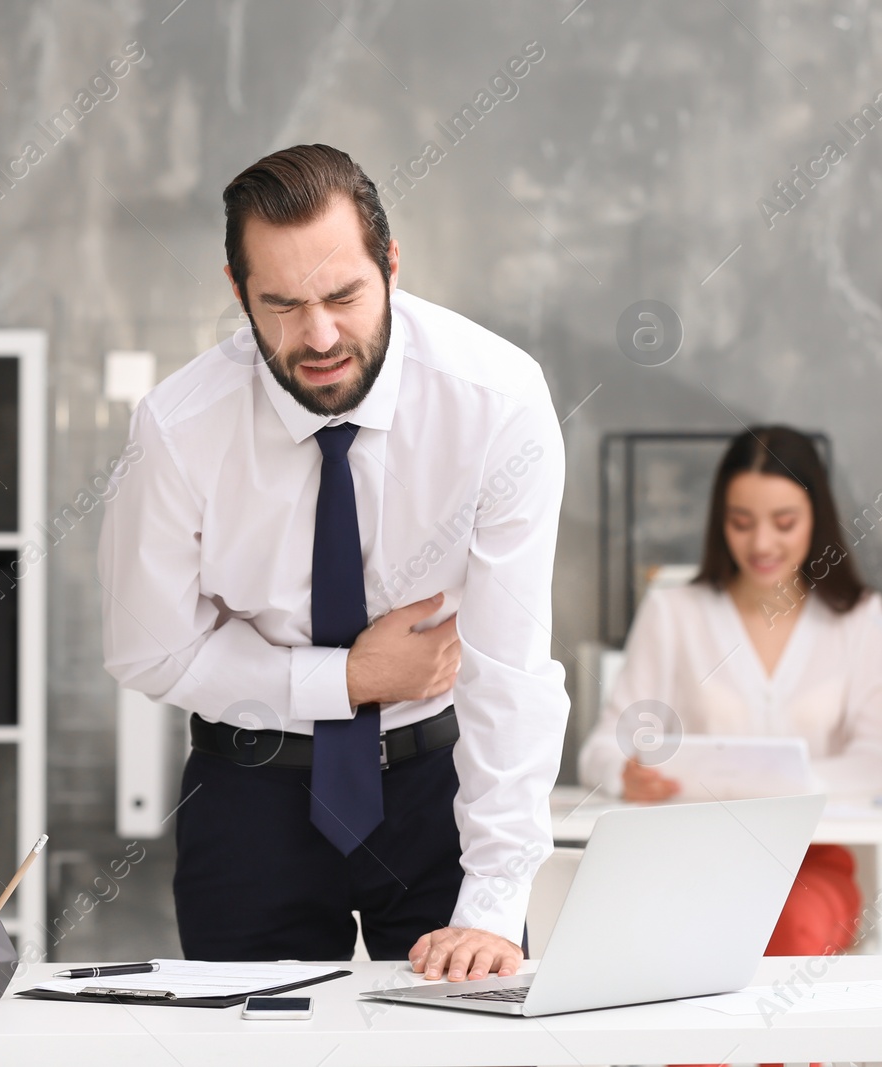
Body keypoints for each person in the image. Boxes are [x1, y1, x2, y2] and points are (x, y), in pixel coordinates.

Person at [97, 144, 568, 984]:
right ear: (238, 290)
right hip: (249, 789)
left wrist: (494, 899)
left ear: (391, 262)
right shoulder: (179, 428)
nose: (317, 337)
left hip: (439, 789)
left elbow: (510, 669)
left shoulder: (498, 402)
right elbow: (148, 649)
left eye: (344, 295)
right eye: (280, 304)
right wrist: (346, 678)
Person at [579, 425, 882, 963]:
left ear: (816, 518)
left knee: (793, 924)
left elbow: (881, 760)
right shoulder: (674, 612)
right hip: (695, 859)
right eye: (741, 522)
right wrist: (627, 775)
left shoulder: (856, 618)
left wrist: (791, 784)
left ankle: (782, 1051)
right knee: (694, 935)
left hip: (814, 862)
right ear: (719, 521)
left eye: (784, 523)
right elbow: (602, 751)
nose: (761, 545)